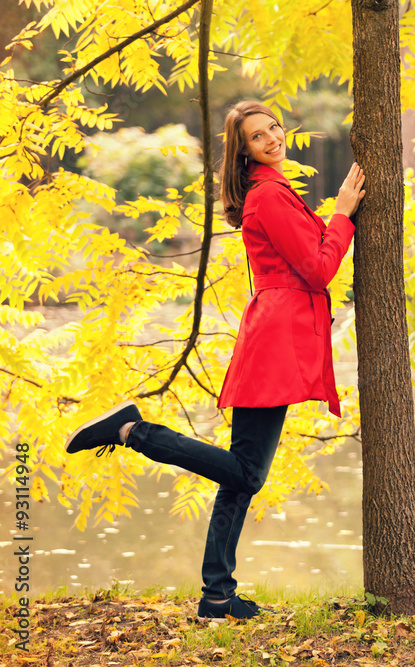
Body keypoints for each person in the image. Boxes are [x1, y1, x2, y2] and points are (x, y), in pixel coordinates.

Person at [65, 100, 365, 621]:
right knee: (248, 474)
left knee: (239, 474)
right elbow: (318, 270)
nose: (272, 138)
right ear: (243, 151)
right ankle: (135, 431)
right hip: (277, 341)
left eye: (273, 127)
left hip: (277, 335)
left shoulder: (274, 191)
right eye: (256, 136)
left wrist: (329, 218)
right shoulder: (268, 194)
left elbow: (306, 254)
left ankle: (217, 594)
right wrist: (341, 214)